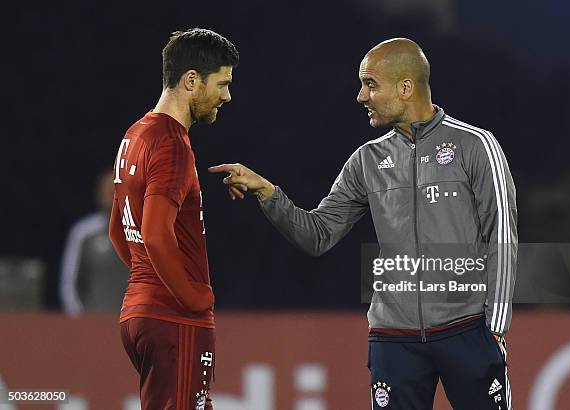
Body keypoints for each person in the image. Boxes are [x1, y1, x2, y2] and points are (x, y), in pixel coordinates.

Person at [209, 38, 517, 410]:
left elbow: (500, 235)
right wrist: (268, 193)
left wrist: (495, 327)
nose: (360, 96)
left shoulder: (476, 145)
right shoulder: (366, 160)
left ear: (406, 88)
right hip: (393, 338)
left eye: (370, 84)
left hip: (466, 330)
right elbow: (318, 235)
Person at [109, 28, 238, 410]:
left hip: (140, 312)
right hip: (172, 318)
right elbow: (153, 233)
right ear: (192, 79)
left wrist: (147, 282)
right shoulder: (172, 144)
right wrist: (191, 296)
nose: (227, 95)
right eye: (222, 83)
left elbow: (118, 231)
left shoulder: (136, 134)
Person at [59, 169, 129, 315]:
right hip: (93, 323)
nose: (113, 197)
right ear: (100, 195)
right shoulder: (83, 233)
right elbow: (69, 284)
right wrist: (79, 318)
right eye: (108, 192)